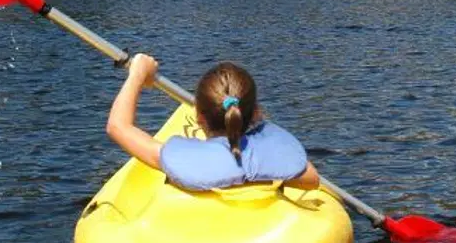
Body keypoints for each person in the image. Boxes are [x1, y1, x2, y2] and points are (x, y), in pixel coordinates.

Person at [105, 54, 320, 192]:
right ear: (256, 113)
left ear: (199, 117)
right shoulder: (273, 159)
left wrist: (137, 74)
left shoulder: (180, 159)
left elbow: (118, 126)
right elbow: (312, 179)